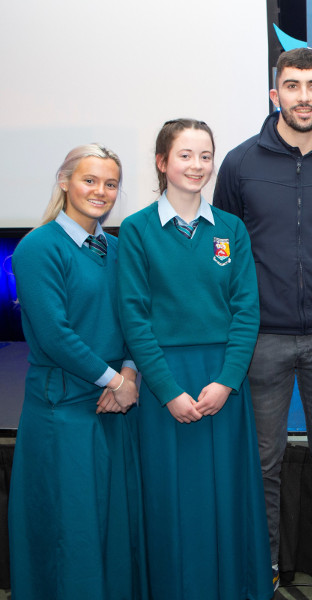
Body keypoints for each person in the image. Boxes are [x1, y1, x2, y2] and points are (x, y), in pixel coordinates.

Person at [213, 47, 312, 600]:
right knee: (263, 460)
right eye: (292, 85)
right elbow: (225, 250)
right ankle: (267, 567)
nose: (303, 96)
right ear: (275, 93)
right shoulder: (238, 164)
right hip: (261, 338)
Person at [117, 119, 272, 599]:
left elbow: (247, 312)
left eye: (205, 156)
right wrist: (167, 392)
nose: (197, 165)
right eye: (185, 155)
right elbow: (134, 318)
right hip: (168, 383)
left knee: (226, 497)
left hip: (223, 382)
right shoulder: (137, 230)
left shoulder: (231, 229)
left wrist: (227, 381)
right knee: (170, 500)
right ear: (162, 163)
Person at [9, 144, 145, 599]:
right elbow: (54, 334)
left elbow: (135, 318)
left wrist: (129, 371)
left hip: (114, 407)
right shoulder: (38, 247)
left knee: (110, 525)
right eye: (89, 180)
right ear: (65, 181)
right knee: (71, 529)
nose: (100, 192)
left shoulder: (117, 247)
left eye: (110, 184)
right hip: (63, 409)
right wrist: (114, 382)